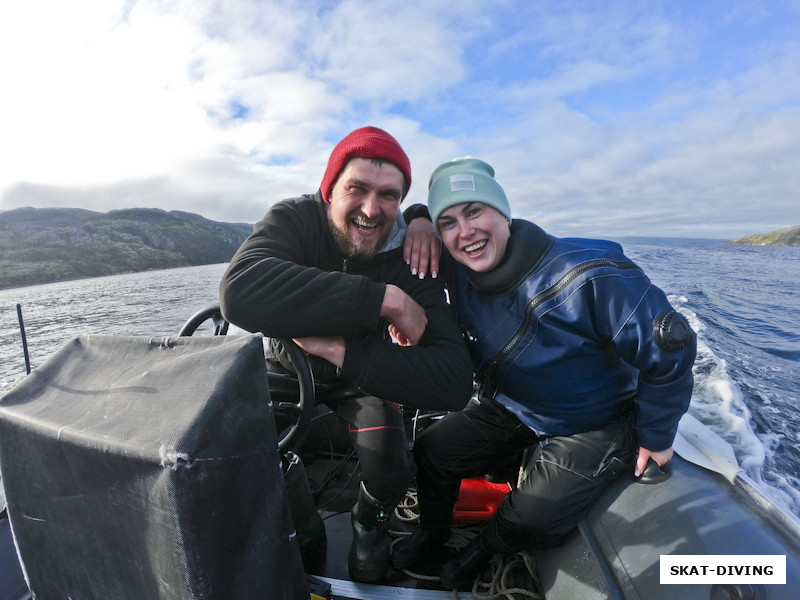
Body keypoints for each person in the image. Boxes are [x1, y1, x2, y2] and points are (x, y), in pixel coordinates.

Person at [391, 157, 697, 589]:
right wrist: (418, 216)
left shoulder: (588, 273)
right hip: (514, 404)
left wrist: (658, 433)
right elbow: (386, 238)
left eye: (475, 211)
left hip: (594, 419)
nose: (466, 231)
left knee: (531, 513)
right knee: (433, 449)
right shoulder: (456, 265)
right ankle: (433, 531)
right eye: (449, 222)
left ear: (503, 213)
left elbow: (672, 348)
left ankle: (483, 550)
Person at [218, 127, 473, 583]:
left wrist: (340, 348)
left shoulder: (411, 250)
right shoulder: (296, 219)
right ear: (329, 188)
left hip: (361, 371)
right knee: (236, 443)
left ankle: (368, 527)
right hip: (286, 367)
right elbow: (240, 292)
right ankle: (295, 532)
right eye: (357, 188)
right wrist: (384, 299)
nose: (372, 209)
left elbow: (453, 381)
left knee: (393, 469)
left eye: (389, 196)